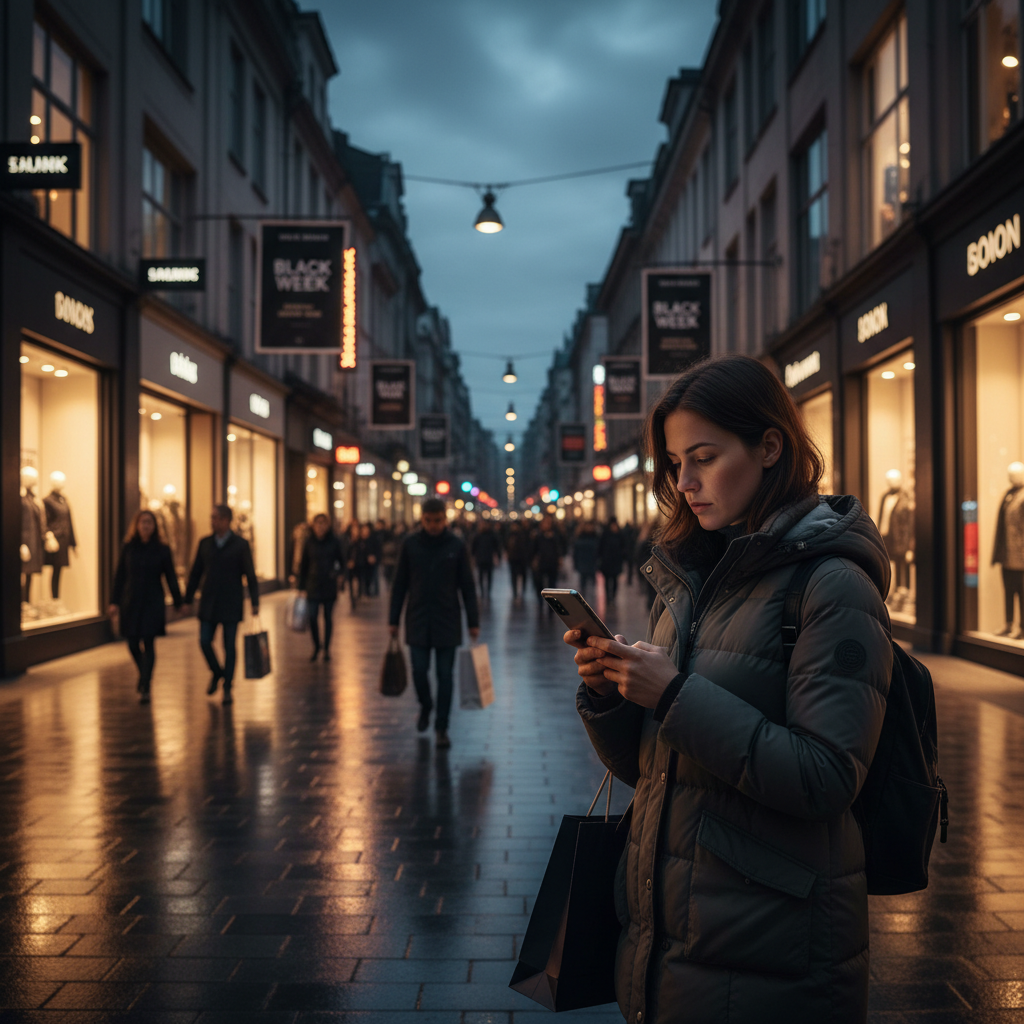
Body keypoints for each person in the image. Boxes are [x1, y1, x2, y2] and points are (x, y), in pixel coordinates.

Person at [565, 355, 892, 1024]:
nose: (684, 482)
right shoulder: (693, 577)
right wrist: (613, 694)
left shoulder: (832, 586)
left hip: (769, 947)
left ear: (770, 445)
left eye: (704, 458)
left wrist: (673, 695)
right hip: (675, 938)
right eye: (675, 464)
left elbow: (827, 777)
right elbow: (657, 771)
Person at [389, 498, 479, 749]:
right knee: (418, 671)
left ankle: (441, 726)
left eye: (437, 520)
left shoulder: (456, 545)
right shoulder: (410, 544)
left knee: (445, 676)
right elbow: (399, 585)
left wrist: (473, 621)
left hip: (447, 620)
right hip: (417, 618)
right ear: (422, 518)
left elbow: (467, 586)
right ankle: (426, 705)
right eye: (428, 520)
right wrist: (393, 619)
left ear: (445, 519)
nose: (433, 525)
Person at [183, 505, 259, 705]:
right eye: (212, 517)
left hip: (231, 602)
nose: (212, 521)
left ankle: (227, 687)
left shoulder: (240, 545)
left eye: (216, 518)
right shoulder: (205, 543)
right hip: (209, 602)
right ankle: (218, 673)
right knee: (205, 641)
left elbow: (250, 574)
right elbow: (196, 572)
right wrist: (188, 598)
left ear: (226, 520)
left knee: (229, 646)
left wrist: (255, 601)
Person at [109, 509, 182, 703]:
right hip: (131, 601)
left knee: (149, 642)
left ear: (155, 526)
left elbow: (170, 576)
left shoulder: (162, 549)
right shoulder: (129, 548)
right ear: (137, 525)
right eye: (142, 522)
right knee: (132, 642)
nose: (146, 526)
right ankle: (143, 673)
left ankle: (146, 684)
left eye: (149, 523)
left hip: (152, 601)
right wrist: (114, 602)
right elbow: (120, 576)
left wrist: (177, 601)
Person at [298, 513, 346, 662]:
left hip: (328, 585)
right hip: (312, 585)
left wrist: (337, 575)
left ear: (328, 525)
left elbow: (342, 562)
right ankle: (316, 646)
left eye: (323, 523)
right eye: (317, 523)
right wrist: (301, 587)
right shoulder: (309, 542)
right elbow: (303, 565)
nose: (320, 526)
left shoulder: (334, 542)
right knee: (312, 616)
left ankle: (326, 649)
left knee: (328, 618)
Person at [531, 516, 562, 601]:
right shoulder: (538, 535)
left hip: (552, 563)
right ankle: (540, 601)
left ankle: (551, 605)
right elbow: (534, 549)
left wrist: (559, 560)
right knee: (539, 583)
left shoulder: (555, 536)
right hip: (542, 563)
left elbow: (559, 549)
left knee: (552, 585)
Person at [597, 517, 627, 604]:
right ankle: (608, 597)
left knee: (614, 580)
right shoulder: (605, 535)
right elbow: (600, 547)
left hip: (616, 561)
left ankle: (613, 596)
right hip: (607, 562)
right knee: (607, 580)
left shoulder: (620, 535)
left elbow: (624, 547)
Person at [471, 520, 501, 600]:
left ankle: (487, 591)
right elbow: (473, 548)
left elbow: (496, 546)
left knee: (489, 576)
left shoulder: (491, 535)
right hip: (480, 558)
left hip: (488, 558)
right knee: (481, 576)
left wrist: (497, 556)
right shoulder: (478, 535)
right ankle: (482, 591)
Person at [571, 520, 599, 598]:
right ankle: (583, 597)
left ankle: (591, 598)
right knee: (583, 583)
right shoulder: (580, 537)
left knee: (592, 584)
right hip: (582, 562)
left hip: (592, 562)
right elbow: (575, 551)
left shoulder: (595, 537)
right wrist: (575, 563)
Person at [506, 522, 531, 599]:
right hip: (513, 559)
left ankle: (522, 591)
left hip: (521, 559)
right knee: (514, 576)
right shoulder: (510, 535)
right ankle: (515, 592)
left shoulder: (523, 535)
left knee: (523, 575)